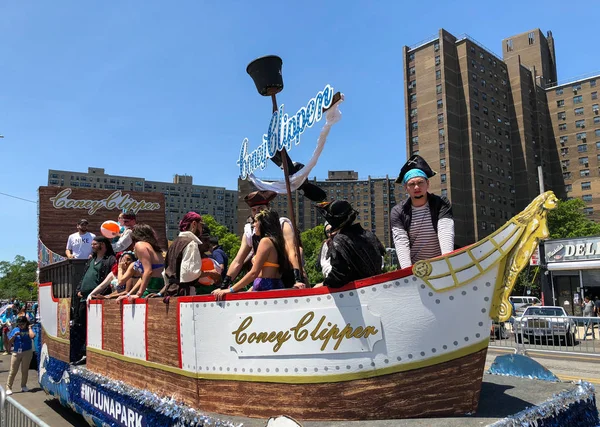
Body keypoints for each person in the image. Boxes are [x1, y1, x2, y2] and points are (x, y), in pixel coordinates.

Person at [222, 190, 304, 289]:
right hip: (262, 280)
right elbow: (238, 260)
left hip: (288, 274)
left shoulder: (282, 224)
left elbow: (292, 253)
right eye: (254, 210)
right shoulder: (250, 230)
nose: (257, 212)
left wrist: (298, 280)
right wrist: (224, 286)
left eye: (260, 208)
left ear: (268, 207)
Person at [390, 155, 455, 269]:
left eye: (420, 182)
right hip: (416, 269)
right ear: (406, 188)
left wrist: (447, 263)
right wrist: (407, 272)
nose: (416, 187)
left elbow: (445, 230)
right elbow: (401, 242)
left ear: (427, 184)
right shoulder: (397, 211)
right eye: (411, 184)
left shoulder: (441, 203)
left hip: (442, 264)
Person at [213, 209, 290, 300]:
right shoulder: (278, 242)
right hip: (275, 286)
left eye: (256, 222)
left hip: (264, 288)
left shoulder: (265, 241)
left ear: (263, 223)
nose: (253, 225)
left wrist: (231, 290)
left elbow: (254, 273)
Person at [314, 201, 385, 288]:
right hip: (376, 287)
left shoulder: (340, 239)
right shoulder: (369, 234)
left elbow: (339, 275)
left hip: (356, 293)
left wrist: (323, 284)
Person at [71, 236, 116, 364]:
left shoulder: (110, 260)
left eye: (95, 244)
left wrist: (99, 293)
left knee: (93, 327)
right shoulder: (92, 260)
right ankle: (79, 354)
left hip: (97, 300)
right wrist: (79, 289)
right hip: (83, 299)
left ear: (102, 245)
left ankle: (90, 354)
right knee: (79, 326)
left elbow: (108, 281)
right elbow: (85, 275)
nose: (92, 246)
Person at [156, 212, 221, 299]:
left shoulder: (174, 243)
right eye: (201, 225)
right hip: (184, 293)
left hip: (170, 292)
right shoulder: (191, 243)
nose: (201, 230)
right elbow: (189, 273)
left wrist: (161, 293)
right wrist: (210, 273)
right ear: (194, 224)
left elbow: (165, 273)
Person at [119, 224, 165, 300]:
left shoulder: (140, 245)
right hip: (158, 286)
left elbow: (148, 271)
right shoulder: (154, 248)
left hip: (152, 287)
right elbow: (144, 277)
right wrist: (129, 294)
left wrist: (138, 294)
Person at [5, 316, 36, 395]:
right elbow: (9, 341)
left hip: (27, 352)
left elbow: (32, 336)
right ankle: (8, 387)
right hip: (16, 352)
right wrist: (14, 335)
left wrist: (29, 328)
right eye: (19, 324)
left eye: (22, 324)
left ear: (26, 323)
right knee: (13, 370)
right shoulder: (15, 329)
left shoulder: (28, 329)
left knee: (25, 370)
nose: (21, 326)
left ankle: (23, 385)